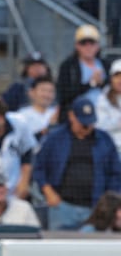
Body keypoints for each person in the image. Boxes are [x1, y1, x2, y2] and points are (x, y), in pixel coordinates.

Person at [33, 97, 121, 230]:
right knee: (59, 248)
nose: (87, 127)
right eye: (83, 123)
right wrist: (47, 191)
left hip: (96, 209)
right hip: (62, 206)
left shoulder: (104, 140)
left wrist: (109, 202)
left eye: (90, 123)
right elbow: (39, 167)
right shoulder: (55, 138)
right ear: (71, 116)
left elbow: (116, 172)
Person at [56, 24, 110, 124]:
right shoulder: (68, 66)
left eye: (92, 43)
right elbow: (64, 95)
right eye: (83, 43)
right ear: (77, 46)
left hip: (105, 115)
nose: (88, 47)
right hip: (77, 117)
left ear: (98, 46)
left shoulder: (106, 65)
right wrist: (91, 83)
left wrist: (102, 83)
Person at [16, 76, 58, 142]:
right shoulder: (21, 115)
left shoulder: (57, 113)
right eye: (43, 90)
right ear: (31, 92)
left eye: (51, 91)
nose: (47, 95)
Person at [95, 58, 121, 157]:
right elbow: (99, 125)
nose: (120, 80)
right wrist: (117, 123)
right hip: (111, 149)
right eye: (117, 76)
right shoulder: (103, 98)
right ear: (111, 78)